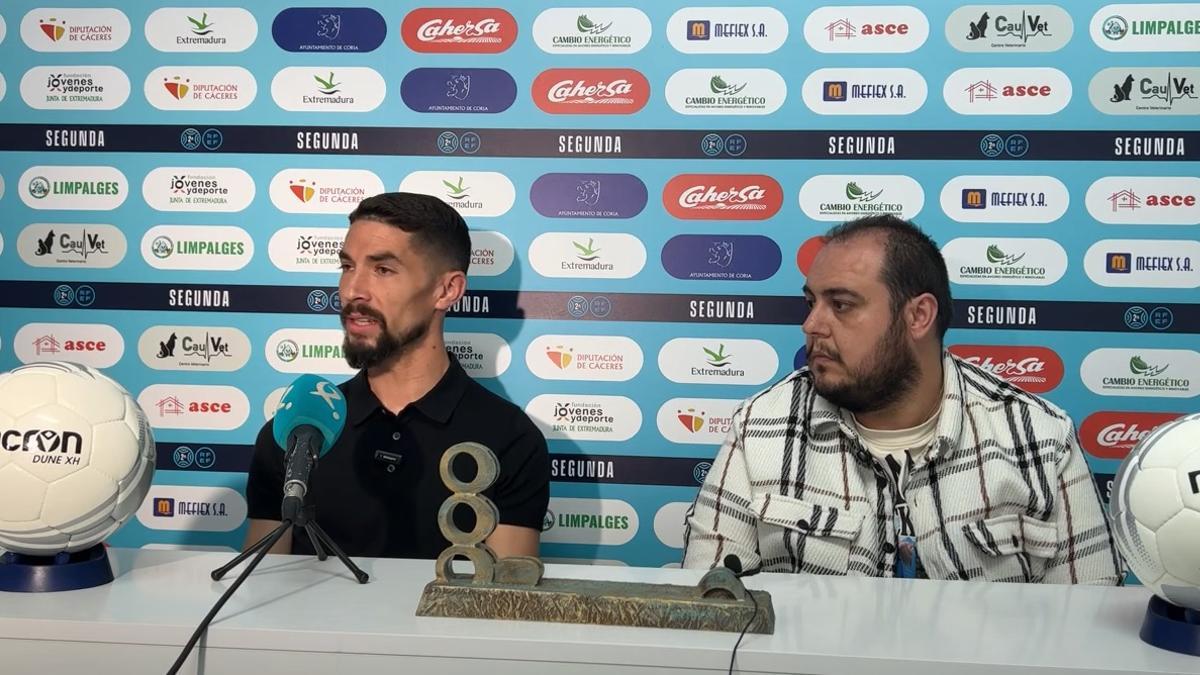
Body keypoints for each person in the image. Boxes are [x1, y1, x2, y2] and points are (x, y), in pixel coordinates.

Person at [682, 214, 1122, 584]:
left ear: (918, 316)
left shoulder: (1040, 438)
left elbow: (1088, 627)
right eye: (811, 303)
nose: (812, 325)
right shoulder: (760, 427)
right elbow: (710, 609)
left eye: (841, 305)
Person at [245, 192, 549, 559]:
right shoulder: (298, 432)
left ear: (447, 290)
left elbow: (505, 605)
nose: (352, 290)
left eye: (383, 269)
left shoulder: (510, 439)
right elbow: (261, 591)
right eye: (347, 266)